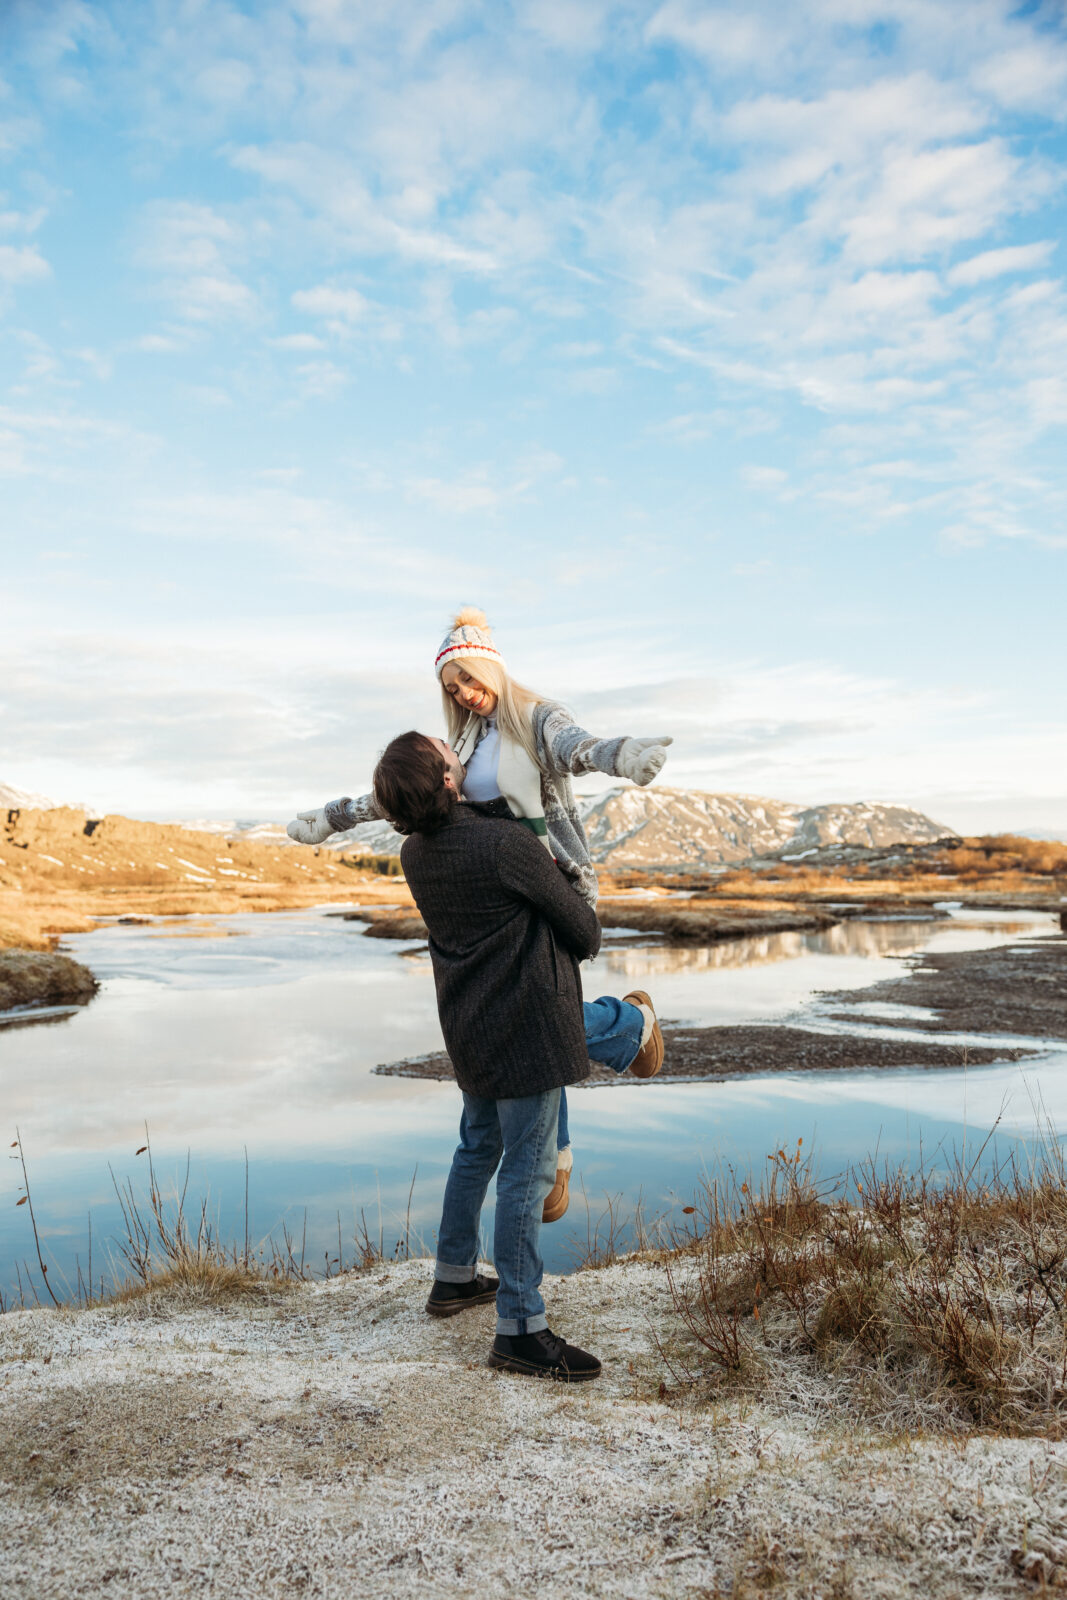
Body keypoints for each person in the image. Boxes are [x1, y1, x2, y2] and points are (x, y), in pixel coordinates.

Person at [288, 607, 672, 1218]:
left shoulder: (539, 719)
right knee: (534, 1025)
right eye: (452, 688)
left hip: (548, 881)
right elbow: (404, 792)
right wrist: (331, 817)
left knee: (543, 1019)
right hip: (492, 891)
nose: (465, 694)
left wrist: (618, 755)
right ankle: (596, 1087)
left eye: (469, 678)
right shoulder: (460, 740)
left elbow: (575, 749)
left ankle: (621, 1041)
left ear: (490, 664)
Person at [373, 727, 603, 1380]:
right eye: (450, 755)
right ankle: (520, 1328)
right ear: (446, 780)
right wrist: (565, 877)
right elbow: (583, 934)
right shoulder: (504, 845)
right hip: (529, 1031)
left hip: (471, 1029)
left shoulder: (415, 853)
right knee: (525, 1174)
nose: (461, 754)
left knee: (477, 1148)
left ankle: (452, 1277)